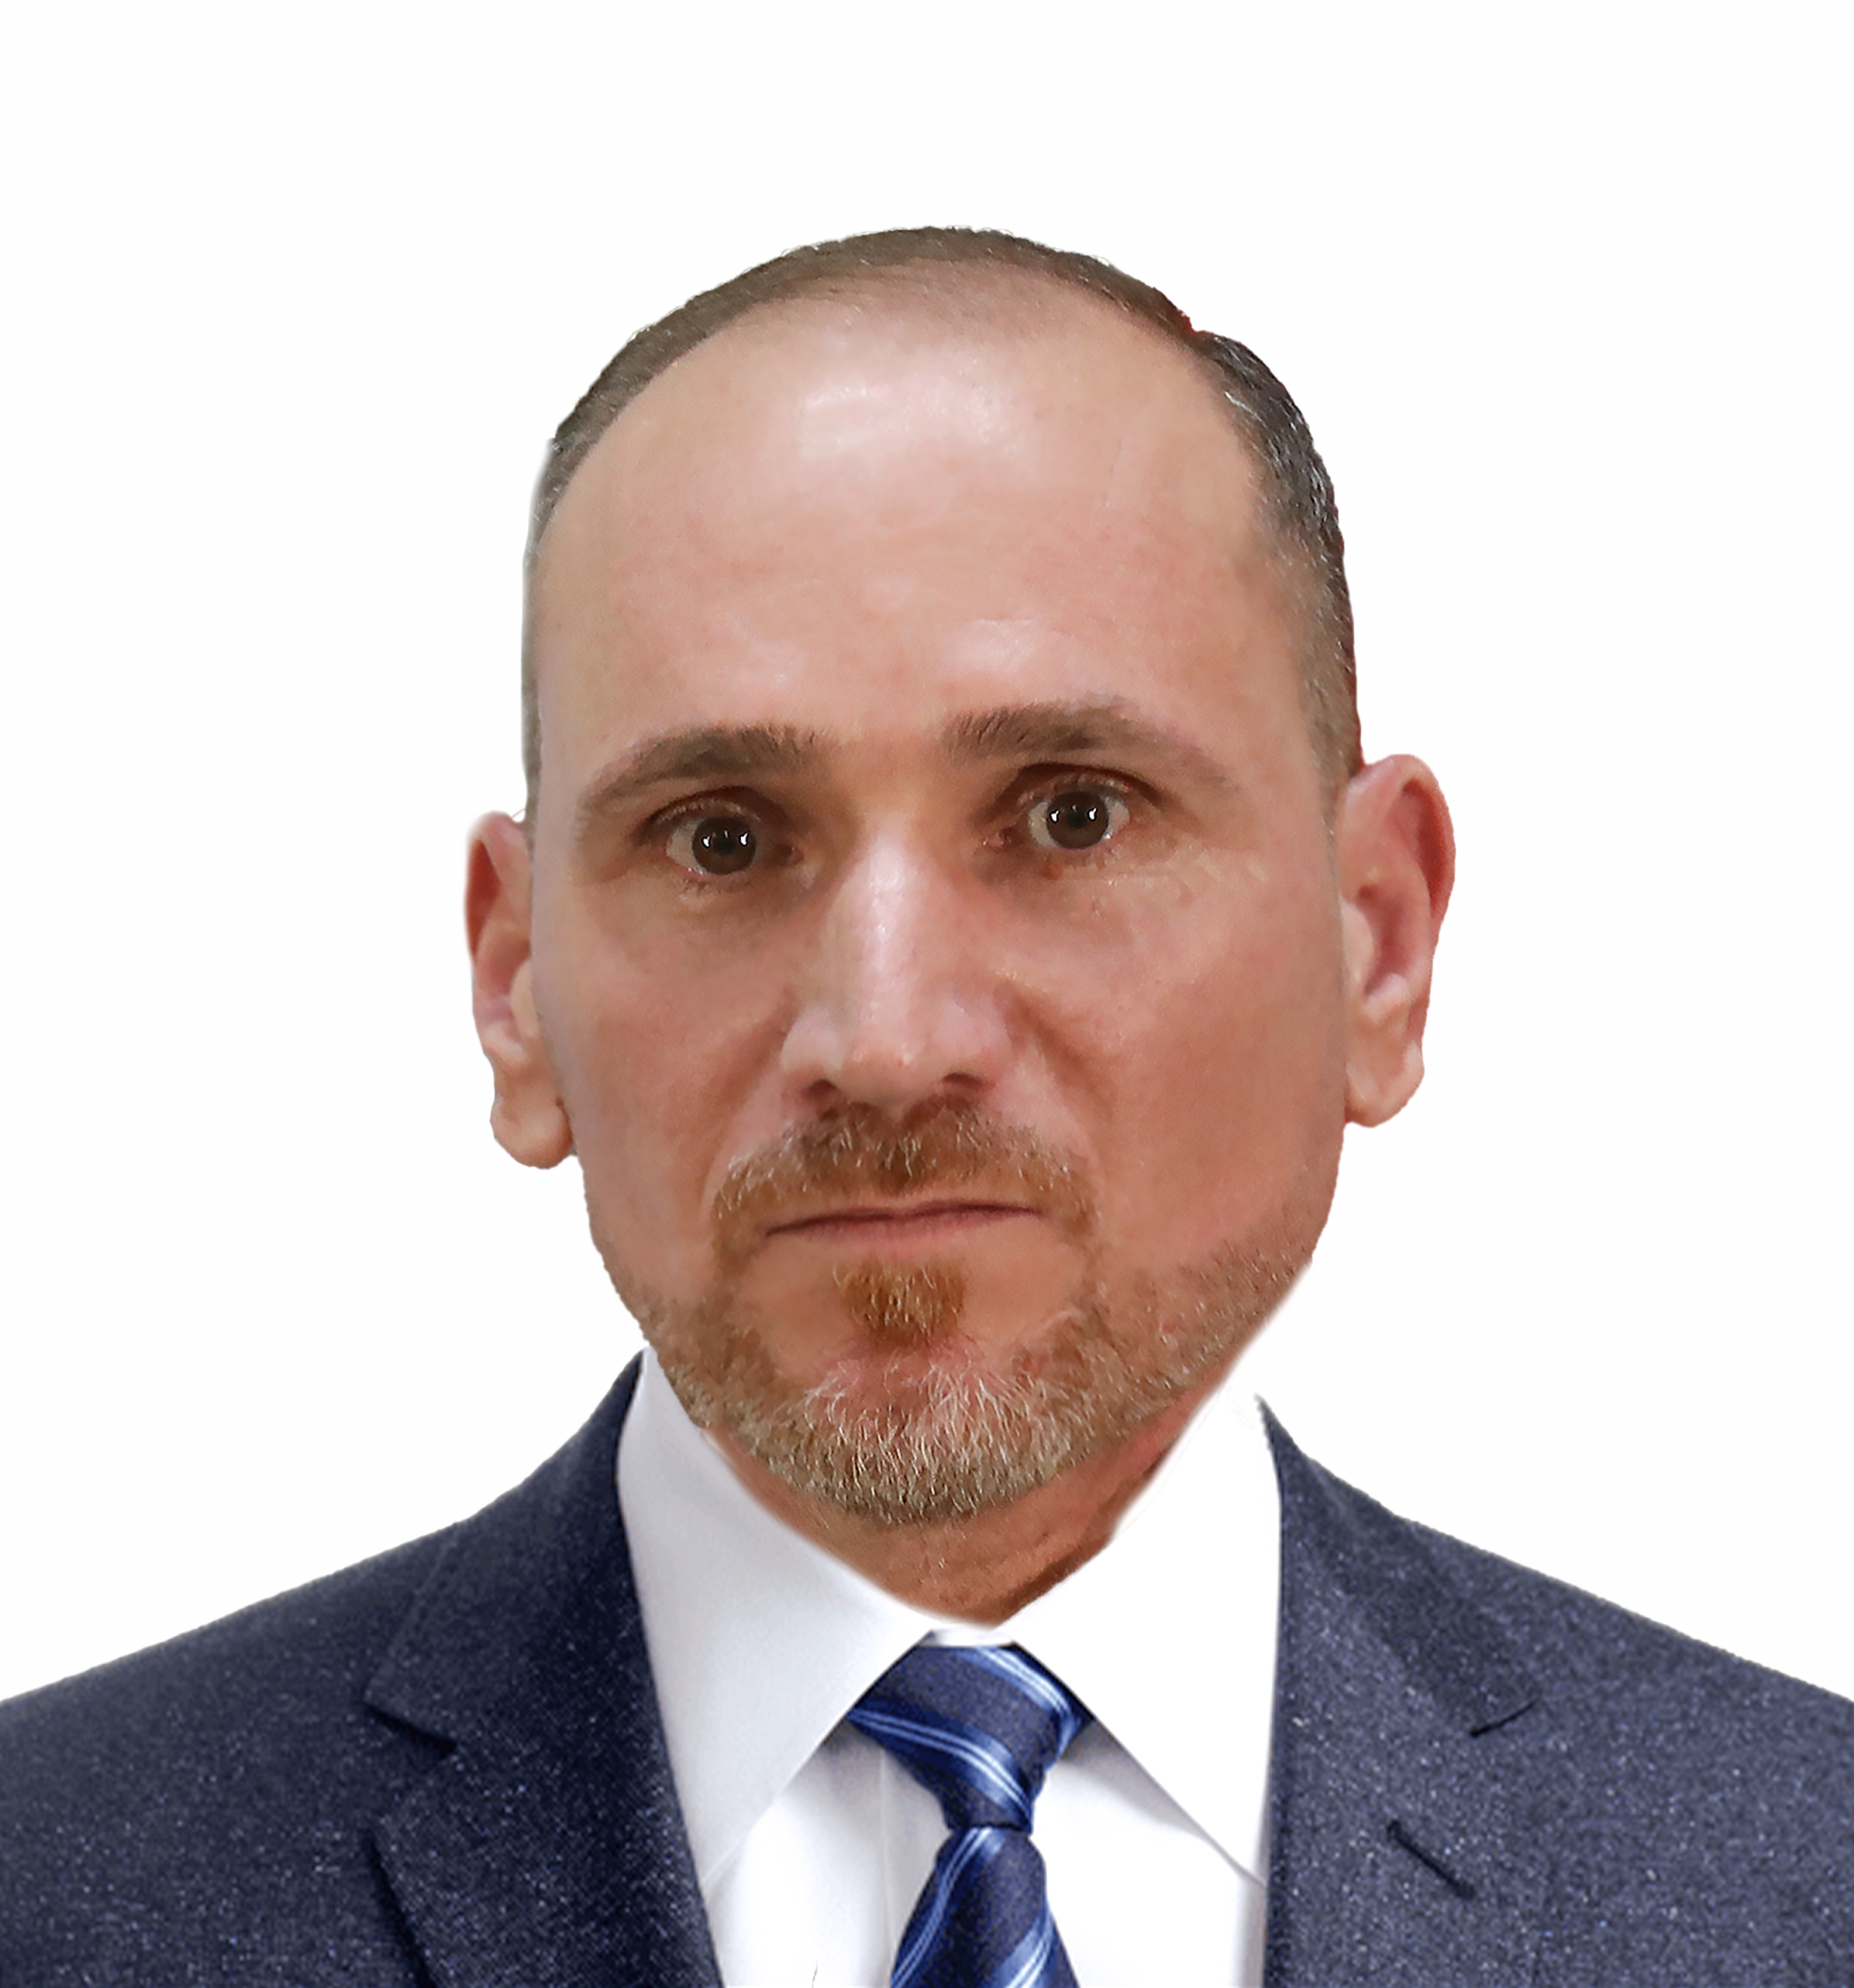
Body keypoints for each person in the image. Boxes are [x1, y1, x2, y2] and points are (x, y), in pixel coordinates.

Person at [2, 226, 1849, 1987]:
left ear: (1379, 942)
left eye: (1072, 816)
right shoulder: (51, 1885)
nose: (885, 1039)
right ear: (515, 983)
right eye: (721, 840)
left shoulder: (1805, 1883)